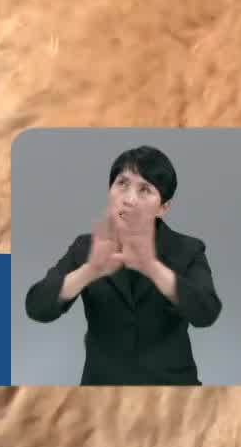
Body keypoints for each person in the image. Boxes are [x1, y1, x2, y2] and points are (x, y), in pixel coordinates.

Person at [23, 144, 224, 385]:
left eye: (145, 190)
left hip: (172, 391)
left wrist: (152, 267)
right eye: (122, 184)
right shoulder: (86, 247)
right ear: (110, 190)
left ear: (163, 208)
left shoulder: (188, 249)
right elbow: (37, 307)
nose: (129, 200)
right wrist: (90, 270)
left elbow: (206, 313)